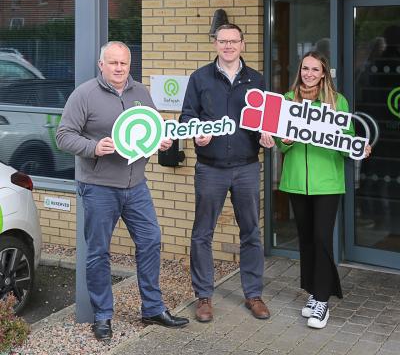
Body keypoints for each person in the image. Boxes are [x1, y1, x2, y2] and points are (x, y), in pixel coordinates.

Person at [56, 41, 189, 341]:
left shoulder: (141, 92)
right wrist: (93, 147)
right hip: (99, 187)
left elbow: (151, 131)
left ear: (130, 65)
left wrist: (161, 142)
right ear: (101, 64)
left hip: (136, 186)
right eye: (112, 63)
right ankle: (103, 316)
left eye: (124, 63)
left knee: (151, 240)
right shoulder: (85, 94)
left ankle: (152, 308)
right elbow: (63, 136)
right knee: (99, 252)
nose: (118, 68)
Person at [180, 24, 275, 323]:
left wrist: (266, 135)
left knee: (251, 233)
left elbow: (267, 121)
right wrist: (197, 133)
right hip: (210, 168)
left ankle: (253, 295)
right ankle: (204, 297)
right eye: (223, 41)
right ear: (215, 44)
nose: (228, 46)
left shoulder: (256, 80)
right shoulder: (200, 78)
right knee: (202, 234)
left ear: (242, 45)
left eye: (234, 41)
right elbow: (187, 115)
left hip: (247, 166)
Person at [275, 51, 371, 329]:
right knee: (305, 239)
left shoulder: (336, 101)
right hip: (295, 181)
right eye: (305, 68)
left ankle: (322, 301)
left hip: (328, 182)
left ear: (323, 73)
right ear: (300, 70)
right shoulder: (286, 100)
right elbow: (281, 145)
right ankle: (313, 293)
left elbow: (349, 139)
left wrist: (358, 147)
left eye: (315, 69)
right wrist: (286, 140)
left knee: (321, 238)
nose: (309, 74)